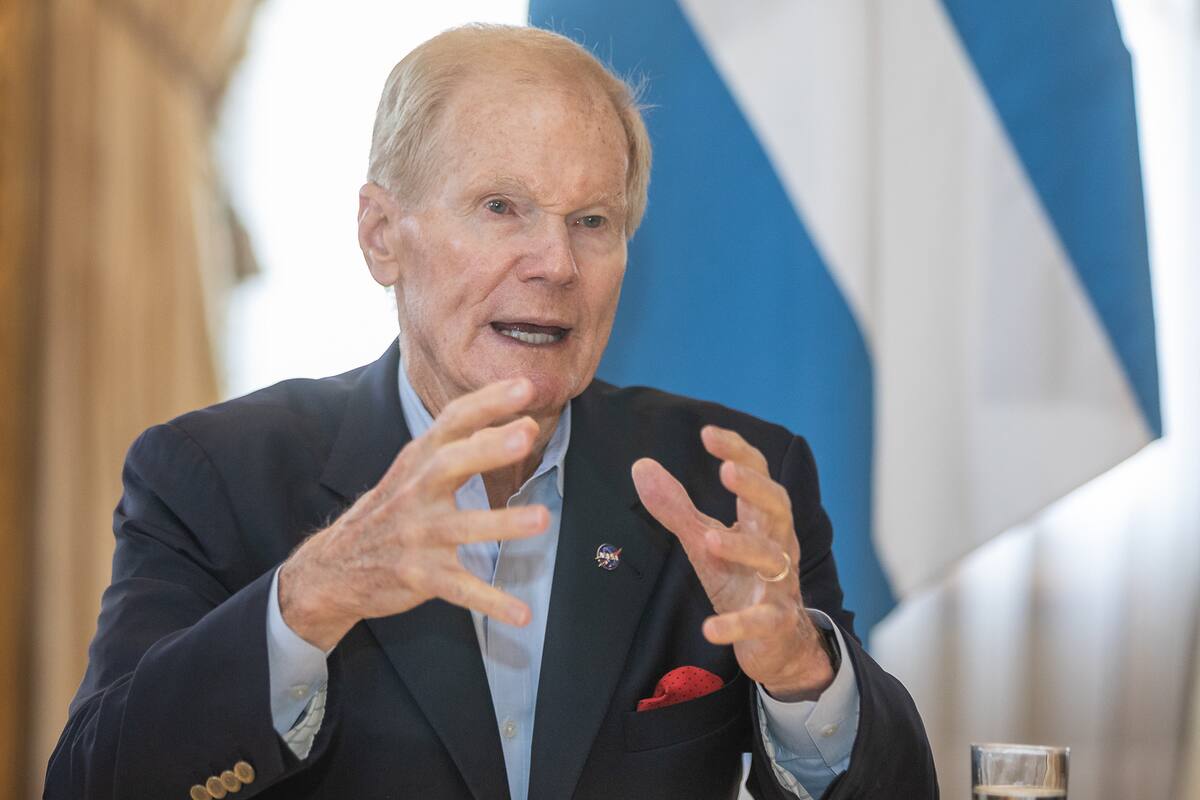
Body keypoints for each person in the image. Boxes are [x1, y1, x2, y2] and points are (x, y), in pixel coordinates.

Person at [45, 23, 936, 800]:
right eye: (501, 207)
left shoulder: (726, 483)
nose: (554, 262)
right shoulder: (214, 474)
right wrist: (312, 596)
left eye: (593, 220)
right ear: (381, 236)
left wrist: (800, 676)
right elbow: (91, 782)